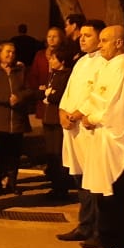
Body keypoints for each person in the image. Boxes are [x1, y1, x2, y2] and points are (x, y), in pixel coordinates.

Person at [73, 26, 124, 248]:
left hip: (114, 142)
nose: (100, 45)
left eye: (105, 41)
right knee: (103, 196)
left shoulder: (123, 67)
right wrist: (84, 113)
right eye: (100, 40)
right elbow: (95, 96)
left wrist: (91, 118)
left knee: (114, 198)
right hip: (101, 140)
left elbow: (113, 106)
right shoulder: (110, 66)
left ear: (119, 43)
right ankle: (105, 243)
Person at [54, 19, 107, 245]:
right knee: (79, 178)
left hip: (88, 129)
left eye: (88, 35)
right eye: (81, 35)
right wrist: (62, 112)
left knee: (93, 180)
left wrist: (76, 114)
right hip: (72, 129)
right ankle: (84, 225)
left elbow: (97, 95)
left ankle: (97, 229)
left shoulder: (104, 63)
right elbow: (69, 91)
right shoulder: (81, 62)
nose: (82, 39)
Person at [0, 42, 35, 195]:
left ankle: (12, 182)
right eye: (7, 52)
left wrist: (19, 97)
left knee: (14, 153)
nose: (10, 55)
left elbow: (29, 89)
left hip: (17, 118)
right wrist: (6, 99)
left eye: (13, 52)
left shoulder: (20, 70)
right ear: (0, 53)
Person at [41, 45, 76, 199]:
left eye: (54, 58)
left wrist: (49, 94)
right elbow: (48, 91)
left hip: (57, 119)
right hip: (48, 118)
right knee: (51, 154)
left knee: (58, 154)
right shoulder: (54, 74)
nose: (51, 60)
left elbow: (58, 95)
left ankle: (61, 187)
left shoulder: (66, 75)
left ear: (61, 60)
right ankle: (55, 184)